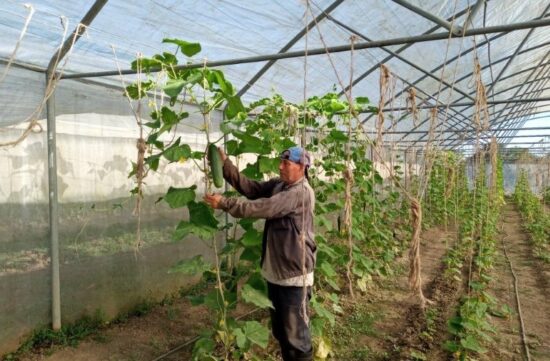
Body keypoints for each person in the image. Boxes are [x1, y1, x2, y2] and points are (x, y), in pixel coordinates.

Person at [203, 146, 316, 361]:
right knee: (283, 334)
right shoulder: (280, 185)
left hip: (294, 276)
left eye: (286, 163)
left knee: (297, 340)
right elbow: (251, 189)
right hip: (278, 274)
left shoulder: (299, 193)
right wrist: (225, 164)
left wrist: (225, 203)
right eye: (280, 161)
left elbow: (264, 207)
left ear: (302, 167)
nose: (280, 166)